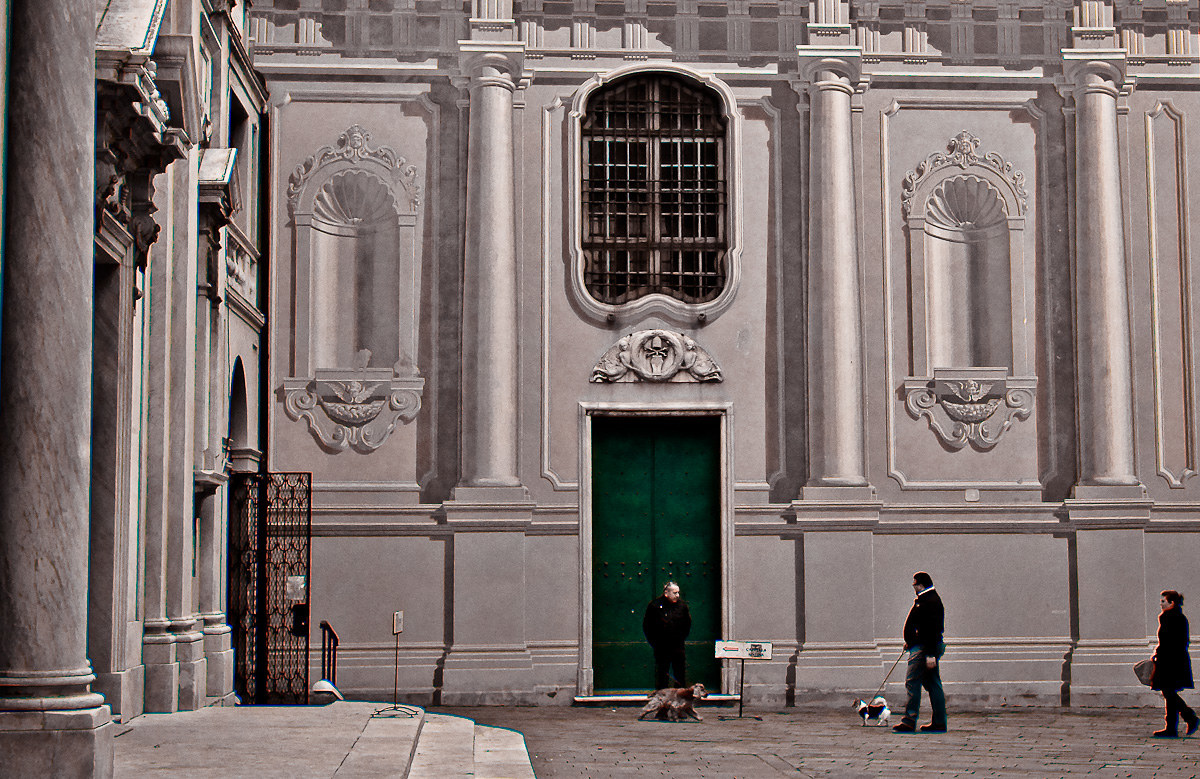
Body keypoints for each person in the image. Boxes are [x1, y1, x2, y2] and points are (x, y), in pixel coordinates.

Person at [893, 571, 947, 733]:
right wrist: (910, 642)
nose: (913, 587)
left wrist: (930, 654)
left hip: (924, 648)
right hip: (922, 646)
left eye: (914, 584)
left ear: (920, 585)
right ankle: (938, 722)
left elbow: (932, 630)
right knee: (933, 683)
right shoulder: (928, 599)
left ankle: (909, 720)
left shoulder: (929, 601)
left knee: (913, 682)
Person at [1151, 589, 1198, 738]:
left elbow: (1173, 641)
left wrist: (1160, 653)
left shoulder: (1173, 618)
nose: (1161, 604)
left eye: (1163, 601)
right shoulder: (1173, 617)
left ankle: (1188, 718)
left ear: (1172, 603)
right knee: (1168, 692)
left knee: (1168, 692)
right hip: (1171, 659)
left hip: (1171, 661)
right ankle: (1172, 726)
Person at [643, 581, 691, 690]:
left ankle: (680, 698)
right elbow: (647, 626)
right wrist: (655, 643)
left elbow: (687, 624)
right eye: (674, 593)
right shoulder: (654, 606)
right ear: (666, 593)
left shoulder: (682, 606)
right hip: (661, 646)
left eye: (678, 593)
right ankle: (662, 699)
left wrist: (680, 638)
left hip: (678, 646)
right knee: (662, 673)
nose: (677, 595)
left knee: (680, 673)